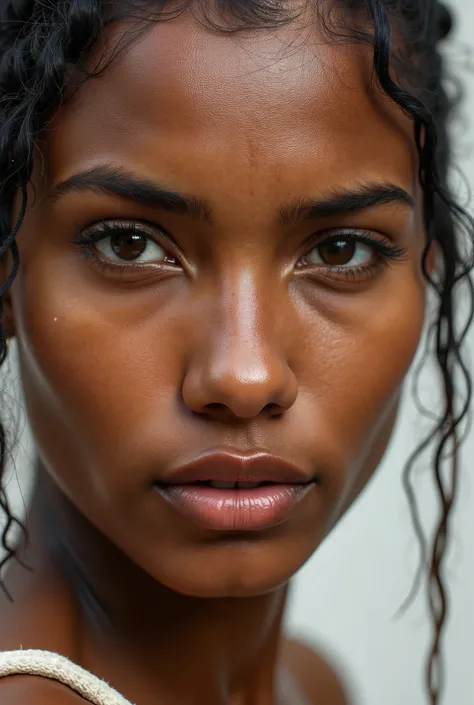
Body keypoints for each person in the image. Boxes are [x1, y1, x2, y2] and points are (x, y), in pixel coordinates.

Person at [0, 0, 471, 703]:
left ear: (427, 265)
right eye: (129, 244)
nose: (244, 378)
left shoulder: (313, 685)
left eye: (341, 249)